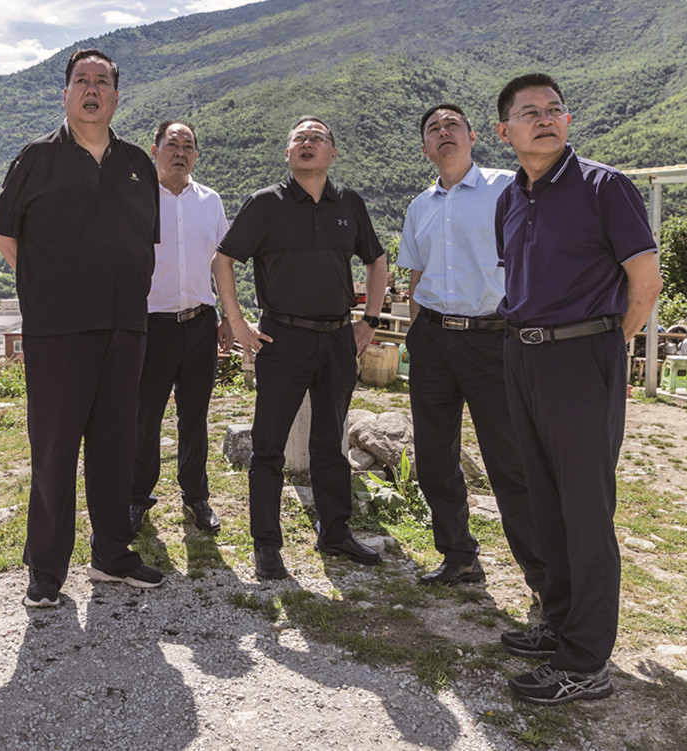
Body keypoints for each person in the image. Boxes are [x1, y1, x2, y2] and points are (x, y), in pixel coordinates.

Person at [493, 73, 662, 704]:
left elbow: (645, 281)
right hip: (522, 355)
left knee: (586, 509)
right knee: (544, 500)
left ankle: (586, 662)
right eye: (530, 111)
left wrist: (607, 343)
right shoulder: (510, 198)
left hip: (582, 355)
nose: (545, 118)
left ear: (567, 121)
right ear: (506, 131)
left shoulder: (603, 186)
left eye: (555, 109)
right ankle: (559, 622)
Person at [0, 48, 165, 608]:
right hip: (58, 330)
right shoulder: (36, 158)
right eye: (82, 80)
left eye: (102, 81)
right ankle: (46, 570)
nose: (92, 89)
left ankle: (112, 554)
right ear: (65, 93)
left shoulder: (138, 163)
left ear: (115, 95)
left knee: (116, 445)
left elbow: (144, 241)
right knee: (55, 448)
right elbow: (4, 235)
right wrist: (49, 287)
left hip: (126, 327)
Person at [212, 116, 388, 580]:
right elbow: (223, 259)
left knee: (330, 442)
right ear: (287, 153)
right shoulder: (265, 204)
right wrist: (237, 322)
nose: (308, 143)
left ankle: (335, 531)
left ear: (333, 153)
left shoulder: (349, 203)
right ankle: (267, 544)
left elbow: (377, 259)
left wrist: (369, 320)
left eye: (318, 138)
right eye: (299, 138)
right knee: (268, 446)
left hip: (337, 339)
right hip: (282, 338)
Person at [396, 103, 545, 595]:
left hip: (493, 338)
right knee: (435, 457)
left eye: (452, 125)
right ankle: (459, 557)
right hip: (433, 338)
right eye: (433, 129)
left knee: (510, 460)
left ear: (473, 136)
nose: (443, 132)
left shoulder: (507, 187)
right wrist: (416, 336)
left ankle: (544, 580)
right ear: (424, 148)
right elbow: (416, 276)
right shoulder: (419, 206)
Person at [129, 120, 232, 537]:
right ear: (154, 150)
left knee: (195, 416)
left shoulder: (210, 201)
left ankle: (196, 496)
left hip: (200, 324)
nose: (180, 152)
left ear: (196, 155)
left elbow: (221, 262)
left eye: (188, 146)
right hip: (151, 326)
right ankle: (137, 497)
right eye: (172, 144)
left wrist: (229, 316)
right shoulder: (137, 199)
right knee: (145, 418)